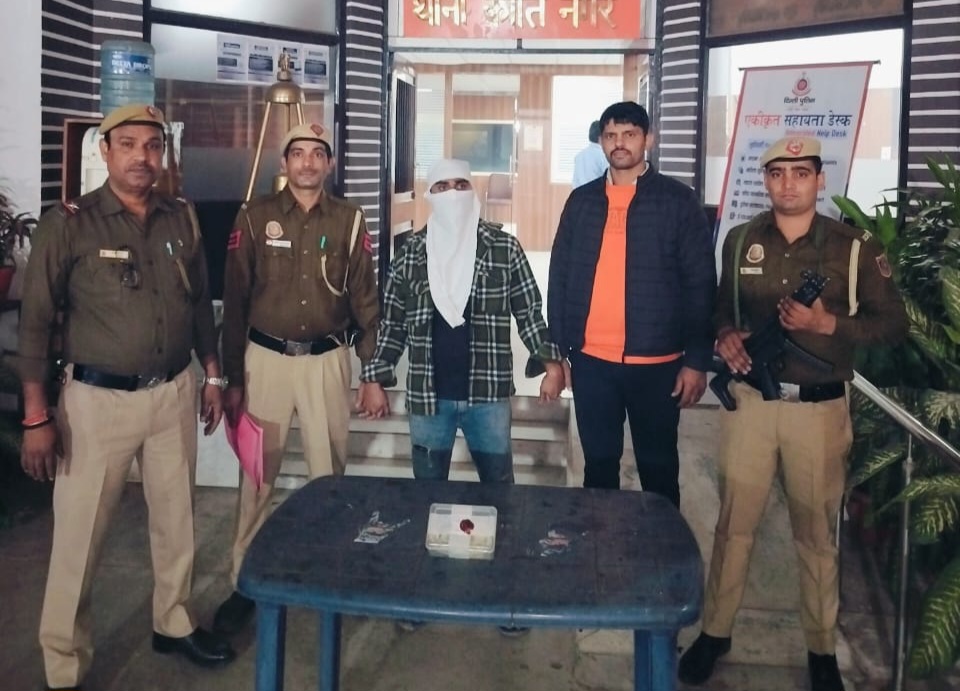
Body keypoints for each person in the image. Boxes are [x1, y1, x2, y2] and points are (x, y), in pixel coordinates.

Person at [17, 104, 235, 691]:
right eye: (130, 144)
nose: (143, 156)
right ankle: (64, 664)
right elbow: (34, 323)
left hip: (173, 394)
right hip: (96, 404)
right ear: (106, 151)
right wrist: (35, 416)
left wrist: (213, 375)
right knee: (79, 538)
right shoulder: (70, 223)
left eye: (153, 145)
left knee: (177, 520)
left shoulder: (180, 217)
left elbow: (199, 304)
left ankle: (174, 621)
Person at [677, 137, 908, 691]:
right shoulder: (740, 240)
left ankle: (821, 648)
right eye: (777, 173)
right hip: (751, 407)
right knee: (734, 526)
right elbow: (721, 305)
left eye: (800, 173)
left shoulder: (854, 248)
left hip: (817, 412)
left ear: (819, 180)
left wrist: (829, 326)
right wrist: (726, 334)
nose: (788, 183)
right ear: (766, 179)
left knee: (816, 535)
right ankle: (716, 632)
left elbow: (893, 325)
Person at [214, 122, 380, 636]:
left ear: (329, 163)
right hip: (265, 362)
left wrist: (372, 372)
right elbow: (236, 299)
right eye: (298, 153)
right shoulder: (254, 215)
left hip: (327, 362)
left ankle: (329, 575)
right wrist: (232, 377)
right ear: (283, 163)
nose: (307, 162)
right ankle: (244, 582)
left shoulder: (349, 219)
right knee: (256, 476)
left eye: (317, 154)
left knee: (329, 476)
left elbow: (365, 300)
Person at [547, 100, 716, 507]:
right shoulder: (582, 201)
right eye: (611, 135)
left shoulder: (678, 201)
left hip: (657, 364)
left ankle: (661, 547)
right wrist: (557, 353)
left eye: (629, 134)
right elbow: (559, 279)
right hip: (591, 363)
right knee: (599, 466)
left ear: (648, 140)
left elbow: (700, 285)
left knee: (658, 470)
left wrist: (696, 361)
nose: (619, 143)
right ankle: (599, 543)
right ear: (602, 142)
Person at [358, 158, 564, 483]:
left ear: (472, 190)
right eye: (442, 187)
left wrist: (552, 365)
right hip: (429, 396)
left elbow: (528, 312)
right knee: (427, 490)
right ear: (430, 194)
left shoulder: (503, 248)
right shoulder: (410, 254)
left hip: (488, 395)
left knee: (499, 489)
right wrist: (373, 378)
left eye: (460, 185)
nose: (452, 194)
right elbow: (393, 325)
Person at [571, 120, 607, 189]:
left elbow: (575, 181)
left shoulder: (579, 156)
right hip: (596, 193)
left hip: (579, 194)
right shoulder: (603, 156)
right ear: (600, 137)